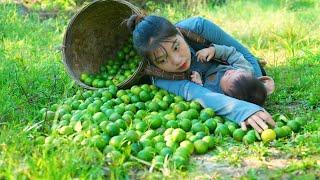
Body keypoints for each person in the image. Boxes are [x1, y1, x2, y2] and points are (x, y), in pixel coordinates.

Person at [127, 14, 275, 133]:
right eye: (162, 60)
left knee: (250, 62)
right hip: (210, 79)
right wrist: (243, 110)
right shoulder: (161, 78)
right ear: (153, 64)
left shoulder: (198, 27)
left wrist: (252, 88)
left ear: (179, 32)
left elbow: (243, 54)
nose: (177, 61)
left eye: (176, 47)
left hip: (223, 64)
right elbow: (201, 95)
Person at [190, 43, 275, 106]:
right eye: (235, 71)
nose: (229, 71)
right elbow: (232, 54)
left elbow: (204, 95)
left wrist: (198, 82)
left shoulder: (217, 94)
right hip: (213, 60)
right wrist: (213, 50)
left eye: (228, 76)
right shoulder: (245, 69)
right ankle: (258, 62)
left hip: (199, 71)